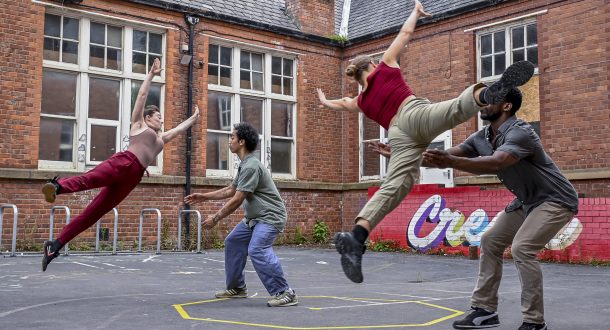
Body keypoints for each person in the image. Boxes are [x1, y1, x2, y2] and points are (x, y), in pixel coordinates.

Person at [316, 0, 535, 283]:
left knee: (396, 185)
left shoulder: (361, 100)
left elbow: (343, 103)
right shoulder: (384, 66)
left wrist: (324, 101)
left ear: (357, 78)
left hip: (397, 134)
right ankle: (486, 94)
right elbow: (405, 35)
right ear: (371, 64)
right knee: (456, 109)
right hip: (414, 114)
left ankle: (357, 237)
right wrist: (415, 12)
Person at [420, 87, 578, 330]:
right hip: (527, 201)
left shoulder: (521, 133)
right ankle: (484, 311)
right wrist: (403, 155)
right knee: (490, 240)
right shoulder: (482, 137)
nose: (483, 103)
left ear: (506, 106)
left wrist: (451, 162)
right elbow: (443, 155)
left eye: (490, 100)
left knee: (523, 248)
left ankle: (534, 322)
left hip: (555, 199)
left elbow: (497, 163)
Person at [41, 58, 200, 271]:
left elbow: (180, 130)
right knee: (90, 179)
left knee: (95, 212)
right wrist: (151, 75)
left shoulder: (161, 140)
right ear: (148, 117)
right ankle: (58, 187)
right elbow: (142, 96)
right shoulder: (138, 124)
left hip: (132, 178)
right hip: (123, 163)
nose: (162, 121)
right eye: (159, 117)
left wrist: (194, 118)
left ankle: (55, 246)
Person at [184, 122, 298, 307]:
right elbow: (231, 189)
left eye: (232, 137)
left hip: (270, 217)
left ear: (242, 141)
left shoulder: (251, 166)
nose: (229, 140)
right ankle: (237, 288)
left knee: (257, 249)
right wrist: (203, 196)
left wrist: (215, 218)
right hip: (255, 219)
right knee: (233, 241)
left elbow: (237, 199)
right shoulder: (245, 164)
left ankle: (285, 292)